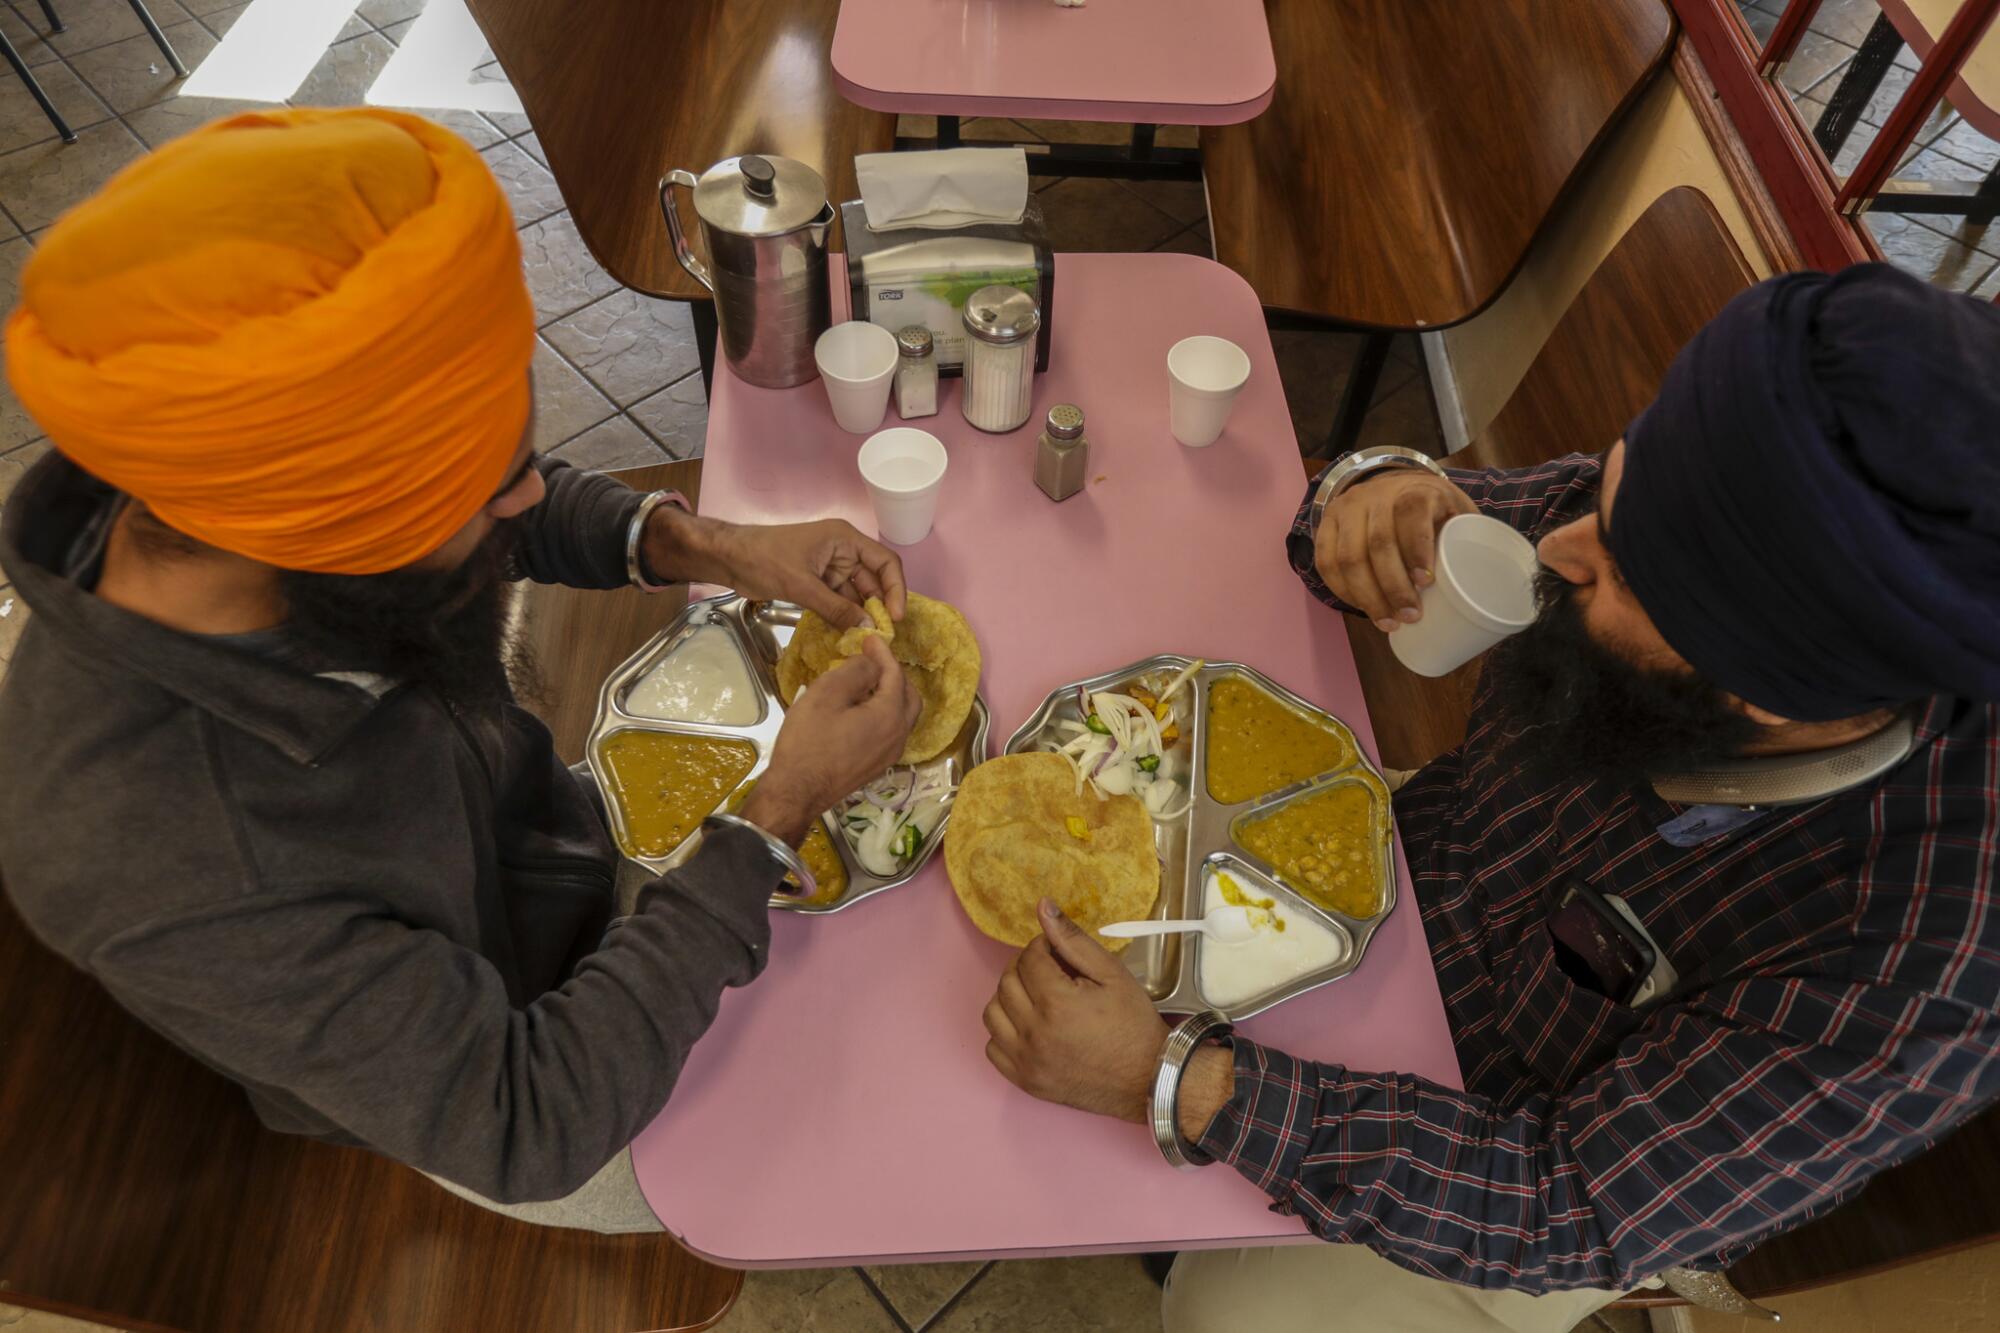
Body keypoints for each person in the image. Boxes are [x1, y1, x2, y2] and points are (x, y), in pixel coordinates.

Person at [980, 264, 2000, 1329]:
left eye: (1619, 570)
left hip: (1511, 1149)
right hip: (1413, 869)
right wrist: (1370, 497)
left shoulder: (1919, 964)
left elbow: (1566, 1203)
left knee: (1225, 1310)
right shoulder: (1677, 526)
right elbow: (1413, 523)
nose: (1559, 547)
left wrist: (1177, 1080)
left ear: (1754, 691)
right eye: (1609, 490)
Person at [0, 108, 919, 1230]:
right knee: (878, 1116)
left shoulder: (249, 505)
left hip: (564, 862)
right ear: (335, 541)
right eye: (483, 492)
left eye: (513, 459)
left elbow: (480, 508)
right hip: (533, 1077)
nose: (528, 501)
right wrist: (777, 812)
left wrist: (716, 545)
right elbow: (529, 1122)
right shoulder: (163, 855)